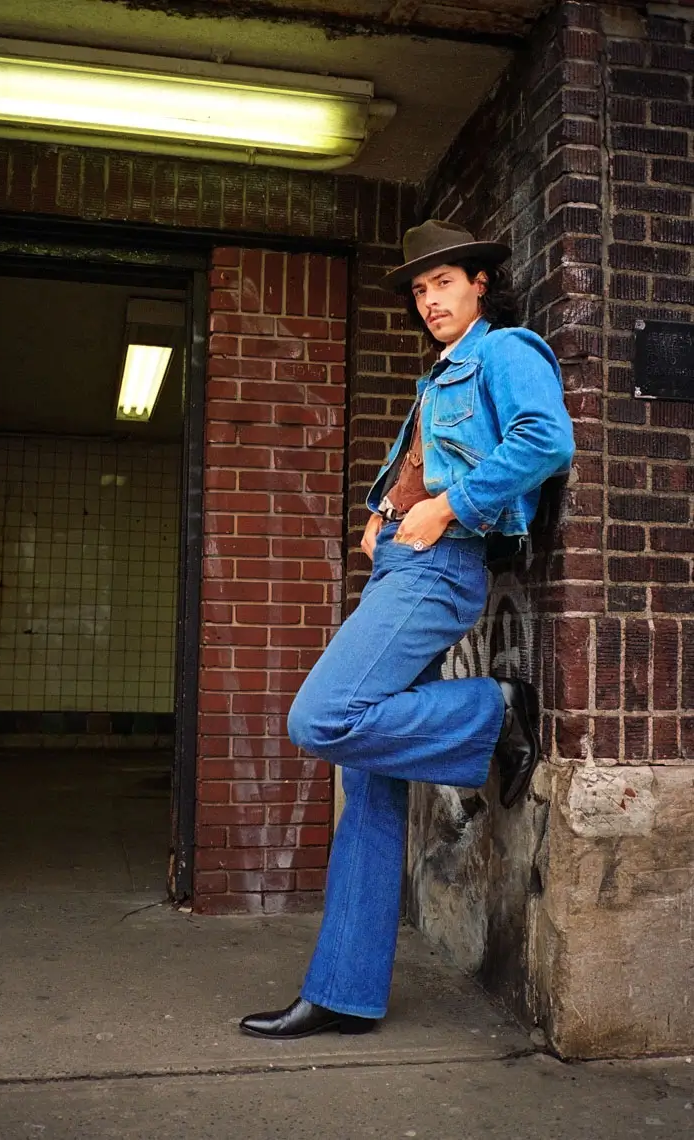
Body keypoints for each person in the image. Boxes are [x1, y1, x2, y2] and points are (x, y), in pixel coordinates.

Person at [239, 219, 575, 1040]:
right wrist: (384, 512)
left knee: (322, 719)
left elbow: (546, 437)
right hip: (405, 562)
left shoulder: (505, 352)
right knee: (371, 783)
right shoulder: (438, 378)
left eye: (443, 284)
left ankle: (494, 709)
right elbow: (428, 459)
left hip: (439, 569)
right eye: (420, 291)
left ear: (478, 285)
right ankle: (344, 991)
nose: (430, 301)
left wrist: (447, 508)